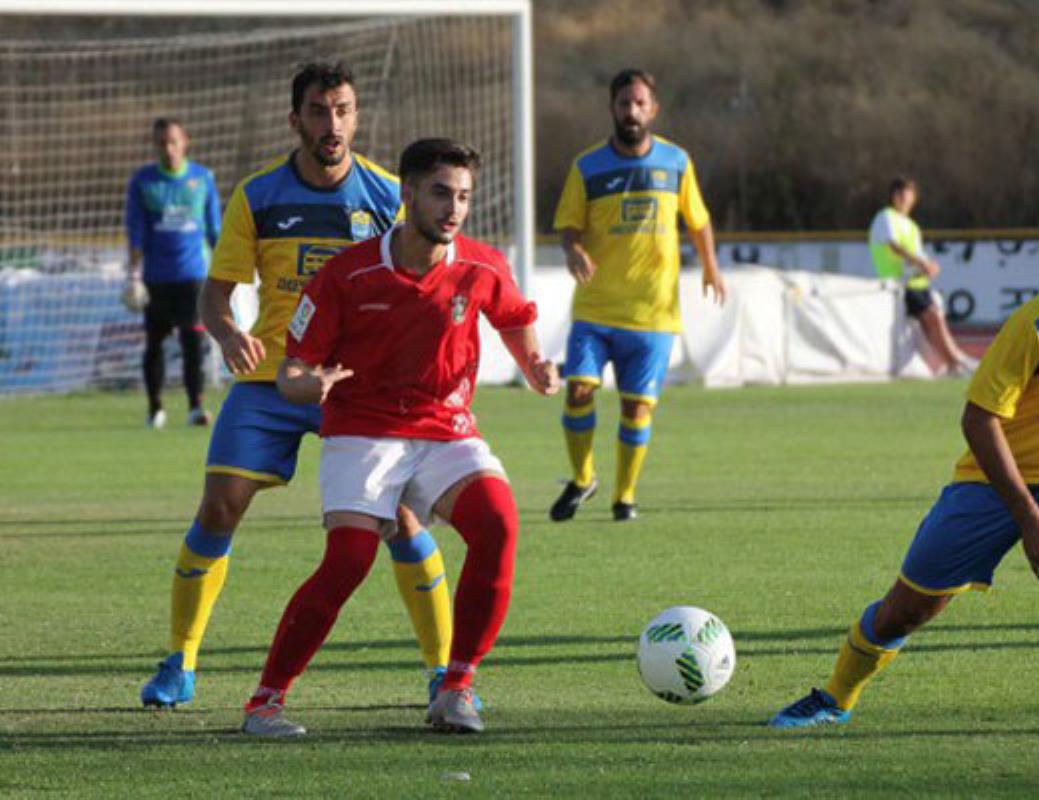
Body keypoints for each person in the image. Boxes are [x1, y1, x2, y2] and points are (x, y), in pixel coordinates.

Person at [770, 191, 1039, 737]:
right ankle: (835, 696)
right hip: (994, 485)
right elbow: (978, 420)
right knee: (906, 610)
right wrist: (1030, 519)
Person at [140, 62, 456, 712]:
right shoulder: (258, 196)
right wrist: (227, 334)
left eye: (342, 111)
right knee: (219, 505)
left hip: (360, 388)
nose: (331, 124)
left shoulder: (390, 195)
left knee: (399, 519)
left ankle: (443, 672)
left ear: (356, 117)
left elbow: (427, 290)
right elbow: (216, 291)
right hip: (272, 379)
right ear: (296, 121)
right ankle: (180, 660)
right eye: (318, 111)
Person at [238, 138, 558, 737]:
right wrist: (311, 385)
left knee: (499, 525)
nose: (454, 208)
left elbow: (513, 316)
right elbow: (290, 371)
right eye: (441, 193)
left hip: (445, 429)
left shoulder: (482, 264)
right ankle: (264, 702)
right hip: (363, 432)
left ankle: (456, 688)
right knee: (348, 562)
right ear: (407, 194)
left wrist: (534, 363)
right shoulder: (347, 274)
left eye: (463, 196)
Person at [549, 68, 726, 523]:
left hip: (653, 313)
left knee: (636, 406)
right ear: (613, 108)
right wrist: (573, 249)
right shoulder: (587, 166)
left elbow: (698, 220)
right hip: (596, 307)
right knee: (580, 391)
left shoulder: (676, 162)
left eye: (640, 103)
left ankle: (624, 497)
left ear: (654, 108)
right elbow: (568, 226)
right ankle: (583, 477)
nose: (632, 112)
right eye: (624, 104)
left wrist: (711, 266)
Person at [123, 117, 221, 428]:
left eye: (173, 141)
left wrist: (227, 269)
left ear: (185, 142)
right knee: (155, 344)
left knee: (193, 343)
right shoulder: (144, 182)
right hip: (156, 278)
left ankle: (195, 407)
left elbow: (215, 229)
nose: (168, 148)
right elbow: (136, 230)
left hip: (193, 275)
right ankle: (155, 409)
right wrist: (135, 274)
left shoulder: (202, 179)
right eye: (161, 142)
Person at [869, 176, 975, 376]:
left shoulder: (911, 225)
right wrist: (921, 263)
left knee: (935, 318)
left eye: (908, 194)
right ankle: (955, 362)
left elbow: (917, 252)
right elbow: (894, 245)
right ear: (893, 196)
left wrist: (929, 265)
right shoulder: (886, 217)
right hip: (899, 283)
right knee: (932, 316)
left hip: (917, 281)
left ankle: (954, 362)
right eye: (900, 193)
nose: (904, 198)